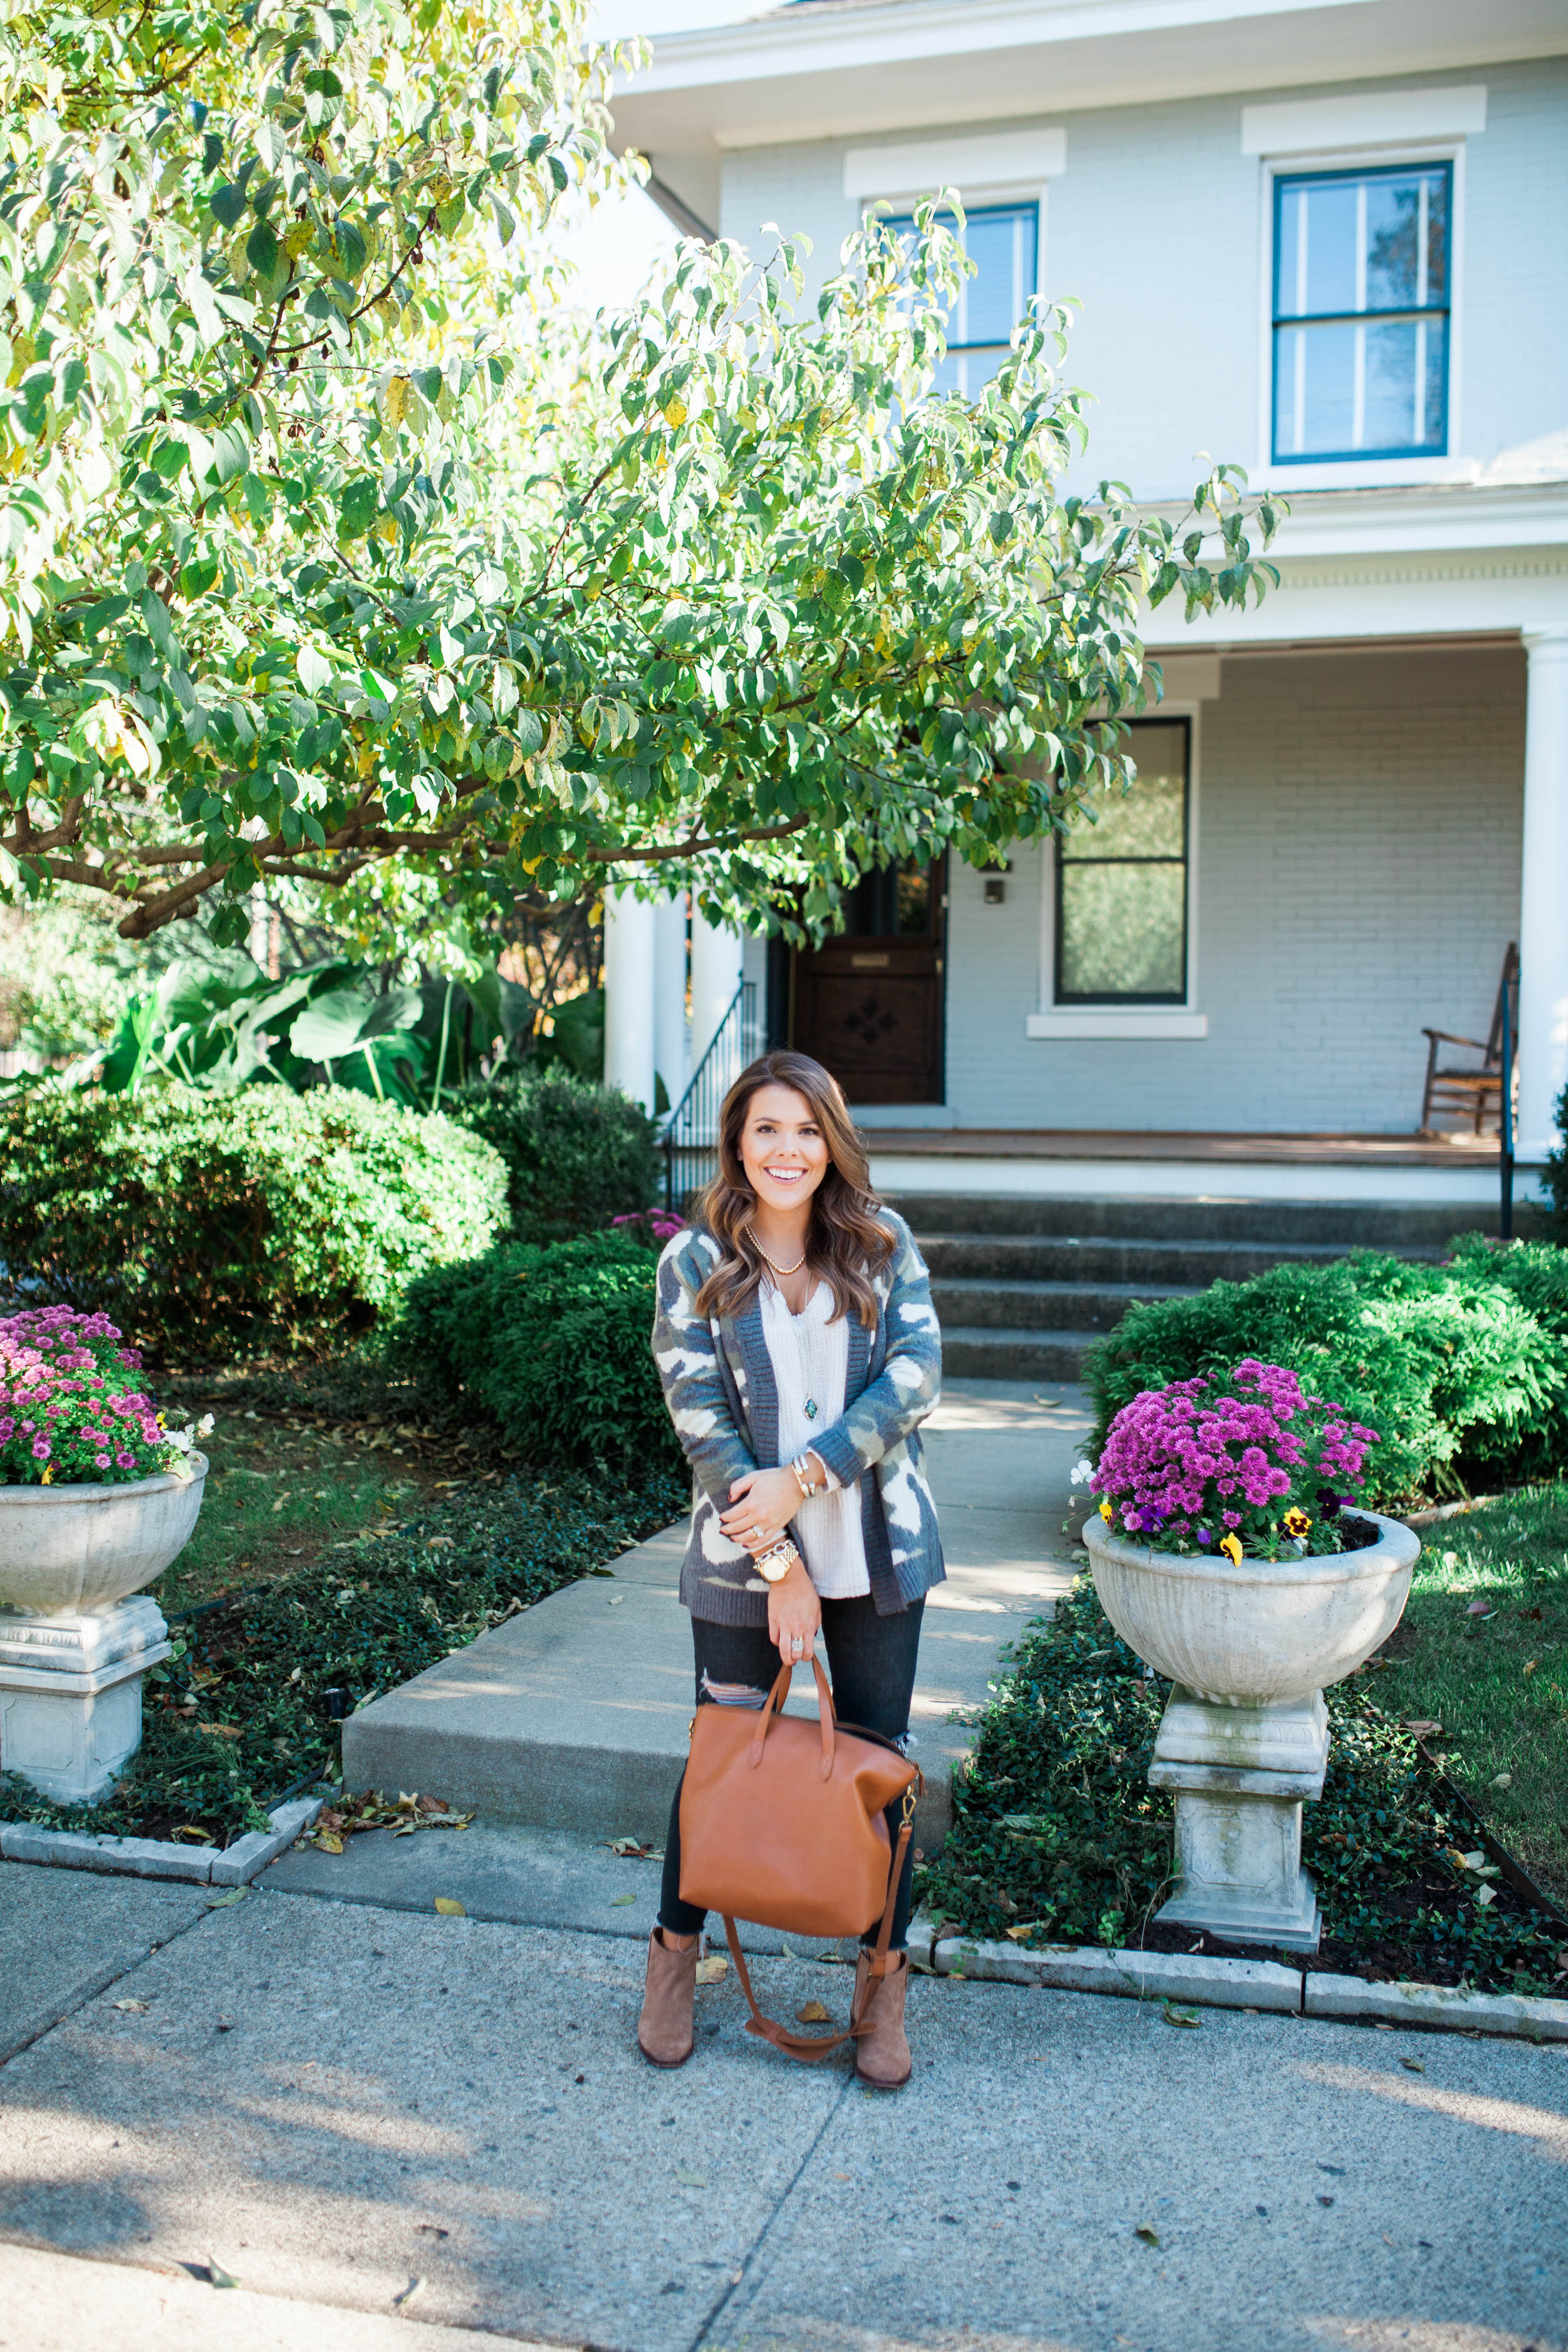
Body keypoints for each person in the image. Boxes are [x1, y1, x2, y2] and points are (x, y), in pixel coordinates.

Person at [638, 1048, 944, 2089]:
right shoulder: (693, 1263)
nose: (788, 1149)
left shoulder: (882, 1243)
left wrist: (808, 1475)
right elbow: (703, 1425)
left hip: (878, 1556)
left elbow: (915, 1378)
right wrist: (780, 1565)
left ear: (834, 1142)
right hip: (739, 1566)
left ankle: (882, 1984)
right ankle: (674, 1962)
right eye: (767, 1128)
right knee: (722, 1761)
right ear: (736, 1141)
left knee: (878, 1772)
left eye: (808, 1129)